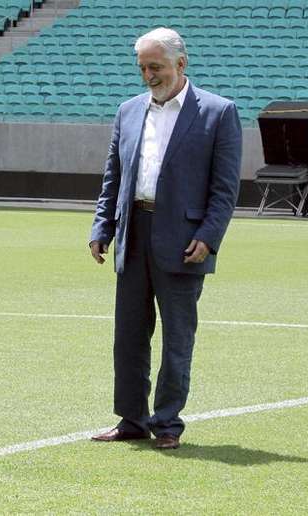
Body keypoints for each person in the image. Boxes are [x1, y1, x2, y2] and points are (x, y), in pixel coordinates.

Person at [89, 28, 242, 449]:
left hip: (184, 241)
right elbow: (113, 178)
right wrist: (102, 228)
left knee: (177, 338)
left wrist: (209, 237)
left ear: (180, 64)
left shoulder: (218, 112)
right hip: (133, 234)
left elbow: (225, 188)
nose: (148, 75)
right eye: (142, 67)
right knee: (129, 337)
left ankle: (168, 422)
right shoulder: (127, 111)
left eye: (155, 67)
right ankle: (131, 419)